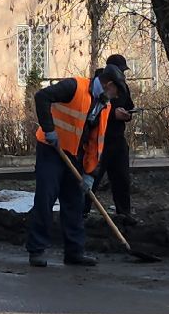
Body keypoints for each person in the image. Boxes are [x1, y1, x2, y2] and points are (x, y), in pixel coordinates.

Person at [25, 67, 121, 268]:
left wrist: (90, 174)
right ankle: (37, 250)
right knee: (46, 198)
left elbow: (96, 143)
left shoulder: (104, 105)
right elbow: (41, 97)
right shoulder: (75, 86)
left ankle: (74, 252)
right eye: (116, 91)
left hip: (75, 156)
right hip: (52, 150)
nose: (116, 96)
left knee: (74, 203)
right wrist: (49, 130)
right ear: (108, 85)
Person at [98, 54, 137, 222]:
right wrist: (113, 114)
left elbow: (129, 106)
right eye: (120, 70)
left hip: (117, 139)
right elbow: (94, 110)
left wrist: (128, 115)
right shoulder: (98, 86)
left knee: (122, 178)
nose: (123, 74)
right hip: (100, 140)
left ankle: (124, 214)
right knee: (92, 178)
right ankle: (81, 212)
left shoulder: (123, 87)